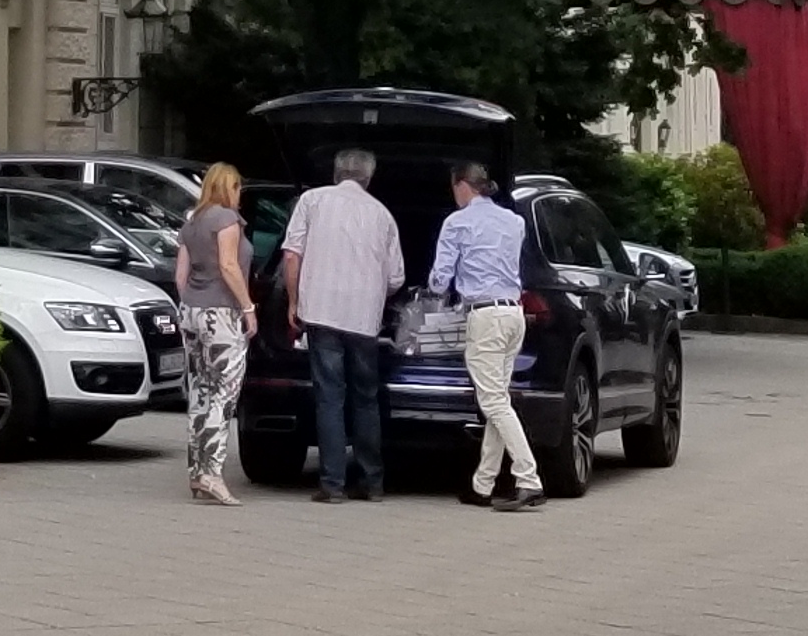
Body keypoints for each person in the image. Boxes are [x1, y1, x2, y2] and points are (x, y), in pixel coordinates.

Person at [275, 145, 401, 503]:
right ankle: (372, 482)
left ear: (336, 172)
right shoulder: (383, 215)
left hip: (321, 313)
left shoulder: (312, 202)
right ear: (368, 177)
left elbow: (291, 255)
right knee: (366, 399)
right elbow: (396, 277)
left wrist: (295, 302)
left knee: (330, 397)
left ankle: (332, 485)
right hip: (364, 319)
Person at [428, 162, 540, 511]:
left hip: (486, 316)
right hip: (514, 315)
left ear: (462, 185)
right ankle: (483, 484)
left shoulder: (457, 223)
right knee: (498, 399)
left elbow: (440, 278)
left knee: (492, 402)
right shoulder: (515, 221)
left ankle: (529, 478)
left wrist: (432, 290)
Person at [173, 162, 254, 505]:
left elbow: (180, 275)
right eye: (237, 188)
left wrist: (192, 300)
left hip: (191, 311)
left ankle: (196, 471)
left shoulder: (191, 222)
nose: (240, 196)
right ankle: (213, 474)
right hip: (222, 315)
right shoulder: (227, 220)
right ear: (226, 189)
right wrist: (248, 308)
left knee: (200, 391)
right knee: (224, 395)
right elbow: (229, 265)